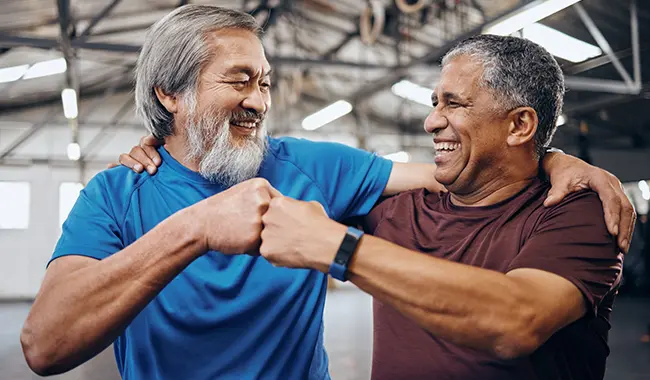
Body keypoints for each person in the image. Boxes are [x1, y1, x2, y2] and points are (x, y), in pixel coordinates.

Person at [23, 6, 632, 380]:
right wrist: (195, 228)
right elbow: (45, 346)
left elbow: (458, 169)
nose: (259, 100)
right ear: (169, 94)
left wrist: (552, 155)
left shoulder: (310, 165)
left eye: (264, 82)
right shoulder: (115, 193)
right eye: (239, 80)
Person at [250, 35, 629, 380]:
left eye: (453, 103)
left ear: (519, 126)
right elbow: (264, 163)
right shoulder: (395, 209)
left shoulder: (578, 212)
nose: (431, 121)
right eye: (435, 103)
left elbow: (516, 321)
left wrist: (340, 248)